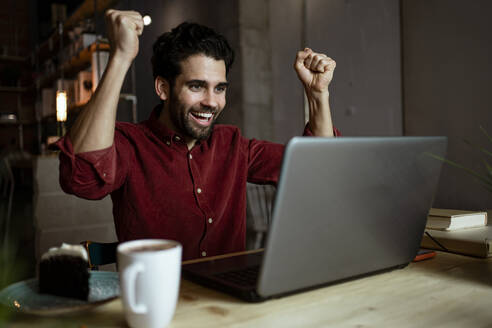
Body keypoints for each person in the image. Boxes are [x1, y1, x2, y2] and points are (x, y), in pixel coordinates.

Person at [56, 10, 341, 260]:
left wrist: (317, 94)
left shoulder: (233, 145)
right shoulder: (129, 144)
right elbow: (81, 179)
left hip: (229, 306)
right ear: (163, 88)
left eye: (220, 88)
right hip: (161, 302)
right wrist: (120, 56)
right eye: (196, 86)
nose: (212, 102)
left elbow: (318, 171)